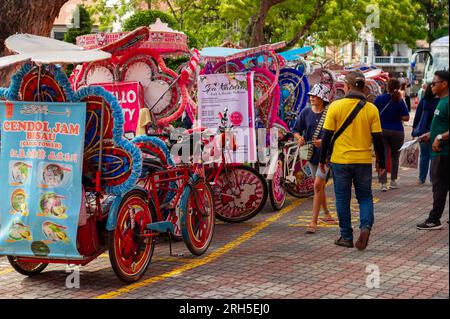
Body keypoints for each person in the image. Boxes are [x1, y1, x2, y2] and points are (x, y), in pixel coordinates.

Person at [319, 71, 386, 250]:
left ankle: (346, 237)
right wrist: (382, 163)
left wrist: (321, 159)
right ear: (363, 87)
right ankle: (365, 227)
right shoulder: (371, 109)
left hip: (340, 160)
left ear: (347, 87)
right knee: (364, 197)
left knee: (342, 198)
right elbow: (378, 139)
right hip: (363, 160)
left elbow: (326, 136)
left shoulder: (335, 107)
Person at [292, 83, 337, 234]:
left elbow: (336, 134)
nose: (311, 98)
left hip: (326, 155)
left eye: (315, 96)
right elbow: (296, 130)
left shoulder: (330, 113)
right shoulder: (305, 113)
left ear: (323, 98)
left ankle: (313, 222)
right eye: (311, 96)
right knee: (320, 186)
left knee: (317, 185)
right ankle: (327, 214)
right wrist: (299, 138)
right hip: (311, 155)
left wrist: (324, 142)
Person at [417, 70, 449, 230]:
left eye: (434, 83)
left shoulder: (448, 101)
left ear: (444, 84)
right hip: (440, 151)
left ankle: (434, 219)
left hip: (443, 153)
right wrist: (431, 134)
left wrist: (440, 138)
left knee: (439, 186)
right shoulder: (441, 101)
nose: (431, 86)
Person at [374, 78, 410, 191]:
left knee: (382, 156)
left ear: (386, 87)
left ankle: (383, 183)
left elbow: (372, 113)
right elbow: (407, 117)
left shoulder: (379, 98)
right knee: (395, 157)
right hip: (397, 132)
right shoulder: (400, 100)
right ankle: (393, 181)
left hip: (381, 131)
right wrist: (397, 116)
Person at [412, 84, 440, 184]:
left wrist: (414, 130)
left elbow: (417, 116)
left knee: (424, 155)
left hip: (423, 131)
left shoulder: (424, 100)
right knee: (433, 155)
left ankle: (421, 178)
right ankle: (433, 179)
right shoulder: (441, 101)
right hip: (436, 132)